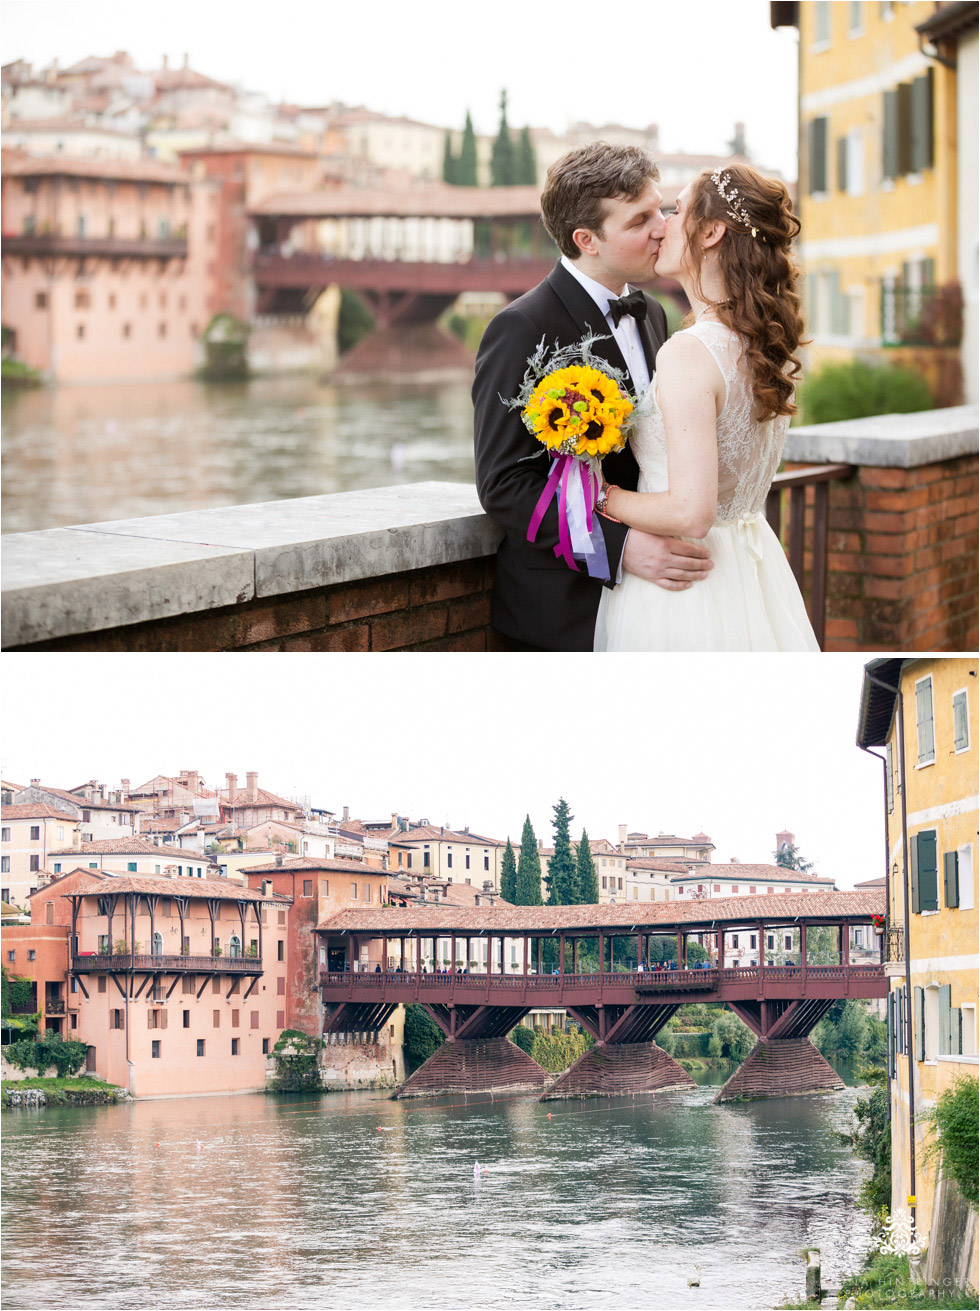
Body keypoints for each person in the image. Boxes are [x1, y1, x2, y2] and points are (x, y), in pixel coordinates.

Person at [473, 142, 712, 651]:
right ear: (587, 240)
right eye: (639, 220)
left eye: (661, 210)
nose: (663, 228)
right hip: (559, 612)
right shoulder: (519, 328)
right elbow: (504, 484)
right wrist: (621, 548)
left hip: (650, 607)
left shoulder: (651, 314)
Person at [594, 164, 819, 652]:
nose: (663, 226)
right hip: (751, 570)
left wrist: (600, 496)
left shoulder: (689, 351)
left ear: (712, 231)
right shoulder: (765, 344)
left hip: (685, 588)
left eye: (676, 211)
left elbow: (691, 511)